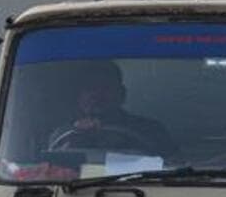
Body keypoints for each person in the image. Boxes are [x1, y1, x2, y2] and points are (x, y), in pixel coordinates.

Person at [46, 61, 176, 156]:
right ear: (78, 97)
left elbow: (172, 170)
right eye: (89, 88)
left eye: (105, 87)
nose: (96, 95)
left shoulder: (151, 131)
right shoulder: (61, 135)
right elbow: (50, 174)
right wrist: (73, 143)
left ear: (121, 94)